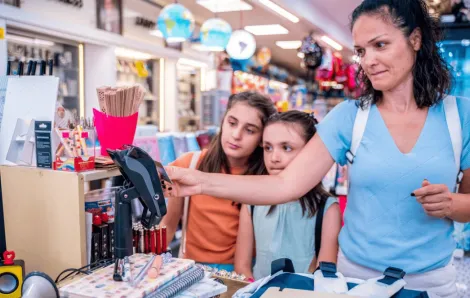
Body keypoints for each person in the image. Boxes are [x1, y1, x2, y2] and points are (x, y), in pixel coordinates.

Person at [164, 0, 470, 296]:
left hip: (432, 283)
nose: (368, 60)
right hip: (356, 281)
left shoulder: (461, 117)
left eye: (380, 45)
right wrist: (200, 181)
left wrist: (452, 204)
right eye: (361, 51)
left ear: (415, 39)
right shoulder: (350, 117)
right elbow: (285, 184)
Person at [160, 91, 276, 272]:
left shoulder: (266, 180)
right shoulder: (190, 164)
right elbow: (167, 226)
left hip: (244, 274)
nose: (236, 135)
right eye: (232, 123)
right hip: (192, 270)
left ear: (262, 139)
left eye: (250, 130)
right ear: (223, 121)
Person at [234, 111, 341, 280]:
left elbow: (325, 273)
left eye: (286, 148)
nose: (274, 158)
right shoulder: (252, 202)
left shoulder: (327, 208)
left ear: (311, 152)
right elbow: (242, 266)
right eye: (268, 147)